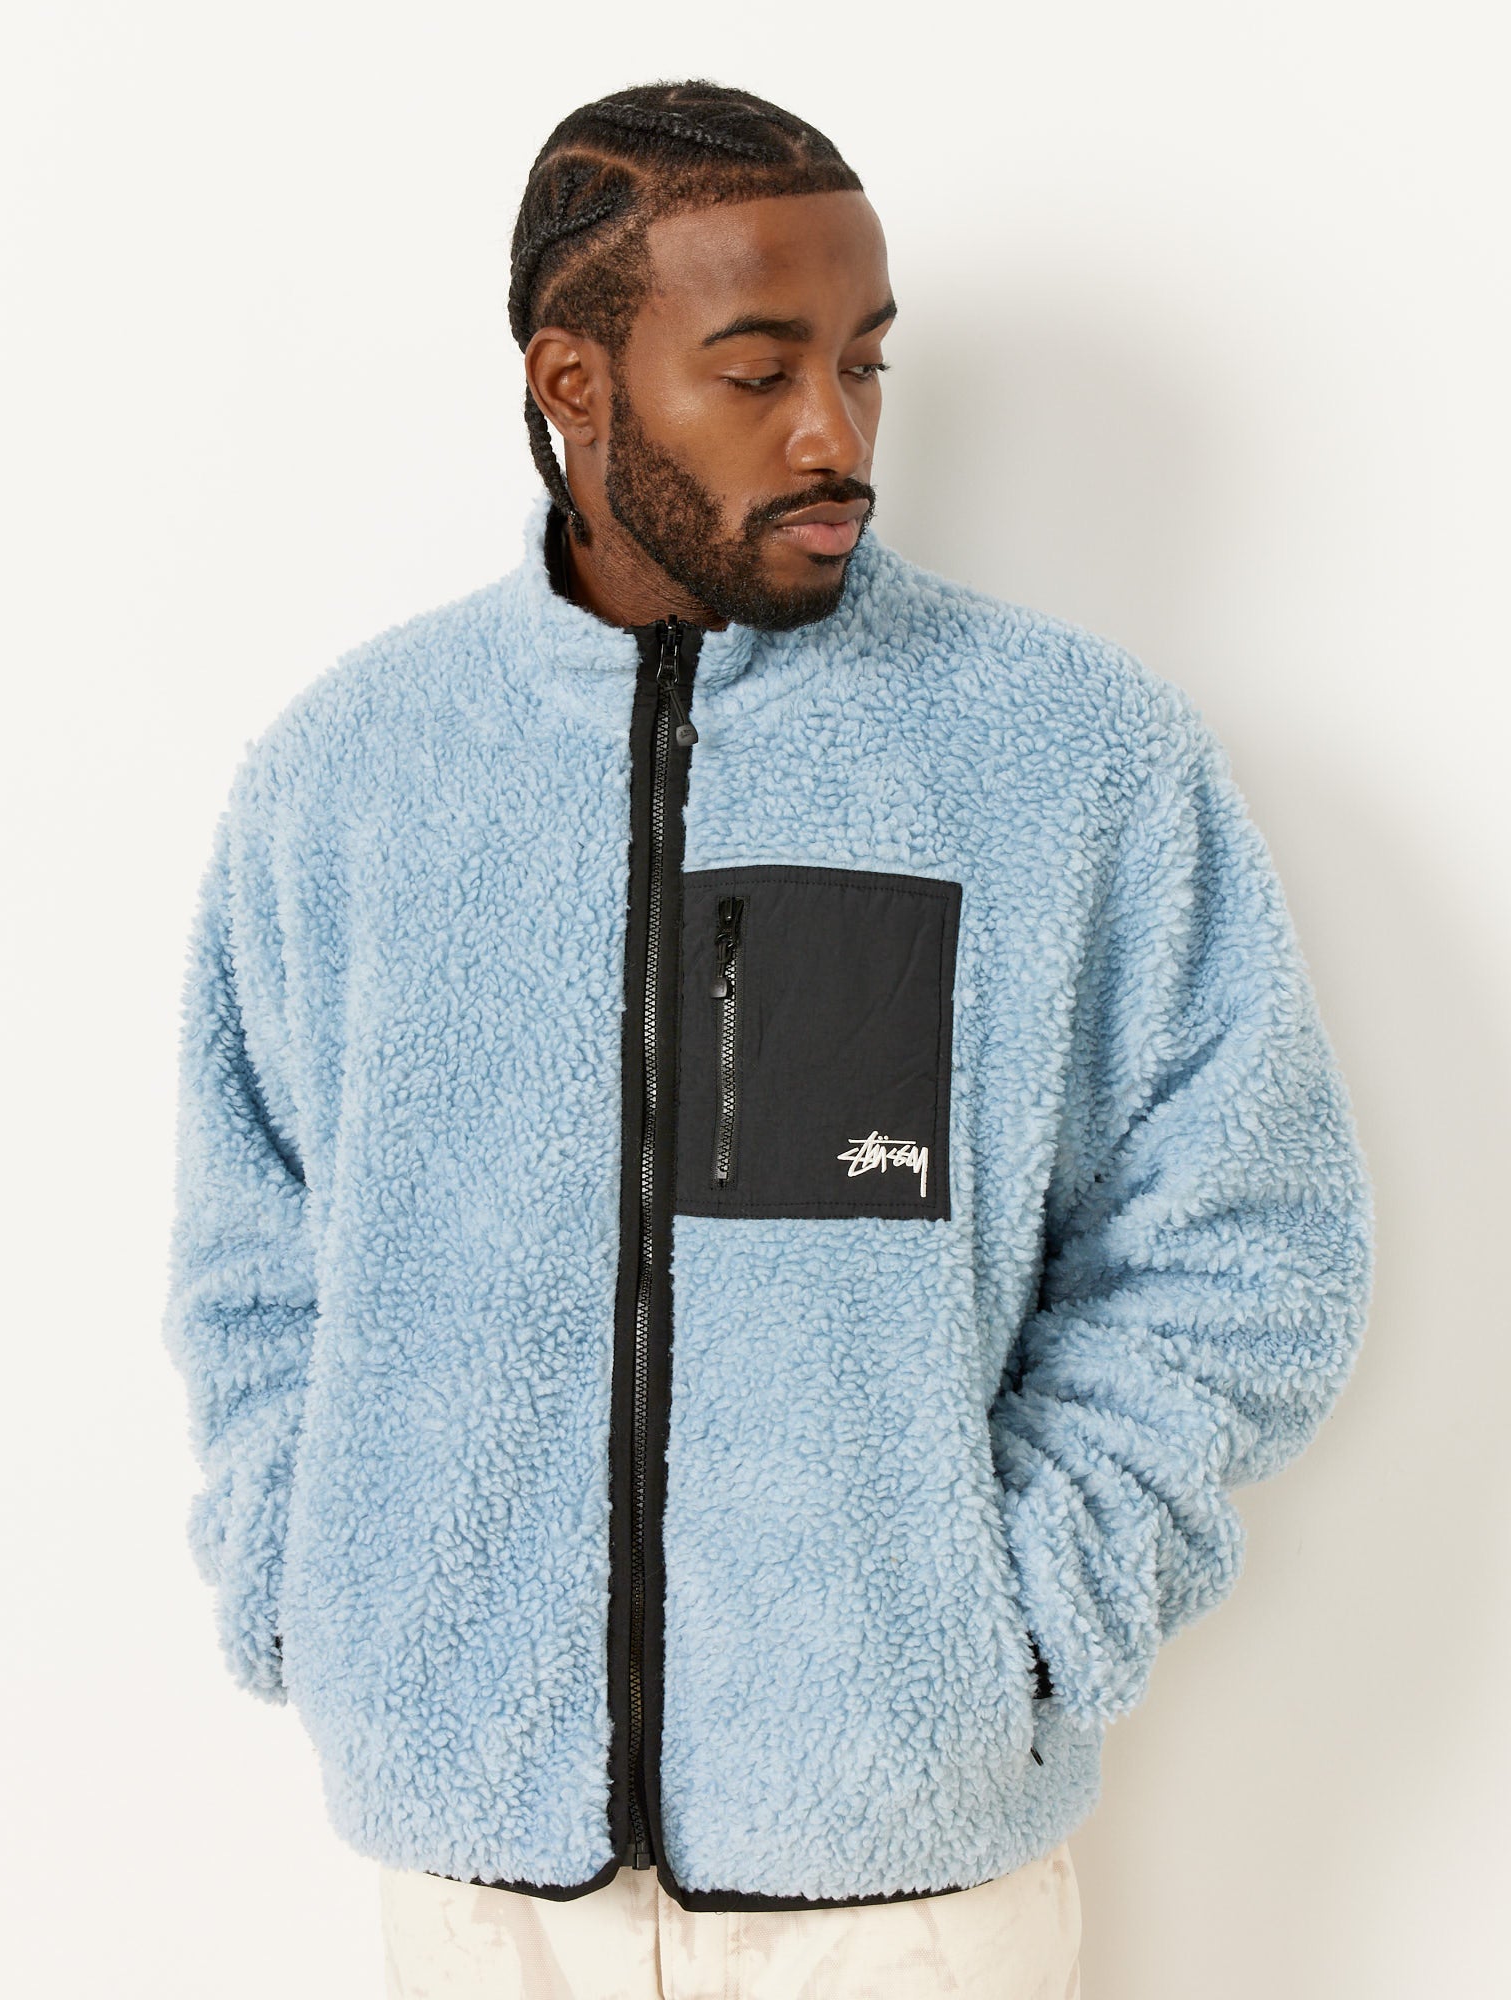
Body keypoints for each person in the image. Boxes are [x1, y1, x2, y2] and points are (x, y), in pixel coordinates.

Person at [161, 80, 1375, 2000]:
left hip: (901, 1892)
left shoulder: (1067, 758)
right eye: (758, 371)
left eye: (866, 363)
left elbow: (1249, 1244)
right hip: (478, 1886)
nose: (836, 435)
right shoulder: (353, 779)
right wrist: (322, 1598)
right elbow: (253, 1262)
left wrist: (1020, 1624)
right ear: (572, 382)